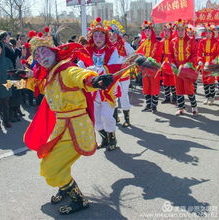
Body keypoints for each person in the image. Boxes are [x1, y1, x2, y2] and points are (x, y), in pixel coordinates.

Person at [24, 27, 113, 214]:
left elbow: (79, 75)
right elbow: (40, 85)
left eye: (44, 51)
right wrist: (25, 78)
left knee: (50, 167)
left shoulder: (65, 69)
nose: (41, 56)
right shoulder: (51, 74)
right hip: (62, 127)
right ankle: (65, 188)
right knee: (52, 161)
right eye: (37, 55)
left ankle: (78, 199)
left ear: (53, 51)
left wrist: (94, 80)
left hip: (76, 128)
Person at [79, 17, 122, 151]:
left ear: (106, 36)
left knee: (106, 116)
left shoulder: (112, 49)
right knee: (96, 118)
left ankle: (112, 138)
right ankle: (104, 139)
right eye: (95, 35)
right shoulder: (87, 49)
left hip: (107, 88)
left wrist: (97, 70)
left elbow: (115, 67)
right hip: (93, 89)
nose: (98, 38)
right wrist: (78, 69)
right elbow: (81, 64)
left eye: (101, 35)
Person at [106, 19, 135, 127]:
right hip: (112, 76)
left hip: (123, 75)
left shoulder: (124, 45)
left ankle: (127, 119)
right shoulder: (107, 46)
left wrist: (127, 60)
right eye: (109, 34)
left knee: (123, 96)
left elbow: (134, 54)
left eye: (114, 33)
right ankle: (115, 117)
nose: (112, 36)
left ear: (117, 34)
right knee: (112, 96)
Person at [170, 19, 198, 115]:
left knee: (189, 88)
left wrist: (189, 63)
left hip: (187, 68)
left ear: (185, 30)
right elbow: (170, 54)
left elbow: (195, 54)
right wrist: (172, 63)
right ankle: (181, 108)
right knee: (179, 88)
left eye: (182, 30)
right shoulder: (173, 41)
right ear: (176, 31)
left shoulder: (191, 41)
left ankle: (194, 107)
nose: (180, 32)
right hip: (177, 68)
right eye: (178, 30)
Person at [136, 20, 161, 113]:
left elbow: (158, 57)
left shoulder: (158, 43)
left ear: (152, 31)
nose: (147, 33)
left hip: (154, 68)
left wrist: (151, 61)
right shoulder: (142, 42)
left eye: (149, 31)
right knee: (146, 87)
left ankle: (154, 106)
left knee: (154, 87)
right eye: (145, 31)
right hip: (144, 69)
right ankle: (148, 105)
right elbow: (139, 54)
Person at [197, 24, 219, 105]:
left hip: (212, 65)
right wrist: (199, 60)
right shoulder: (202, 41)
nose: (208, 33)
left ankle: (212, 97)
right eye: (207, 32)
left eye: (210, 32)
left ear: (212, 33)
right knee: (205, 81)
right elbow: (199, 53)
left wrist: (216, 59)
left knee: (211, 81)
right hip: (203, 64)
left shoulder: (216, 42)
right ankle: (207, 97)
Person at [159, 23, 177, 104]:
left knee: (173, 81)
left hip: (172, 63)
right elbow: (160, 53)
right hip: (164, 63)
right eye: (165, 31)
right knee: (165, 81)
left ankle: (174, 97)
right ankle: (167, 97)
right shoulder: (162, 41)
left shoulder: (173, 41)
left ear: (171, 32)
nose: (166, 33)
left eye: (168, 31)